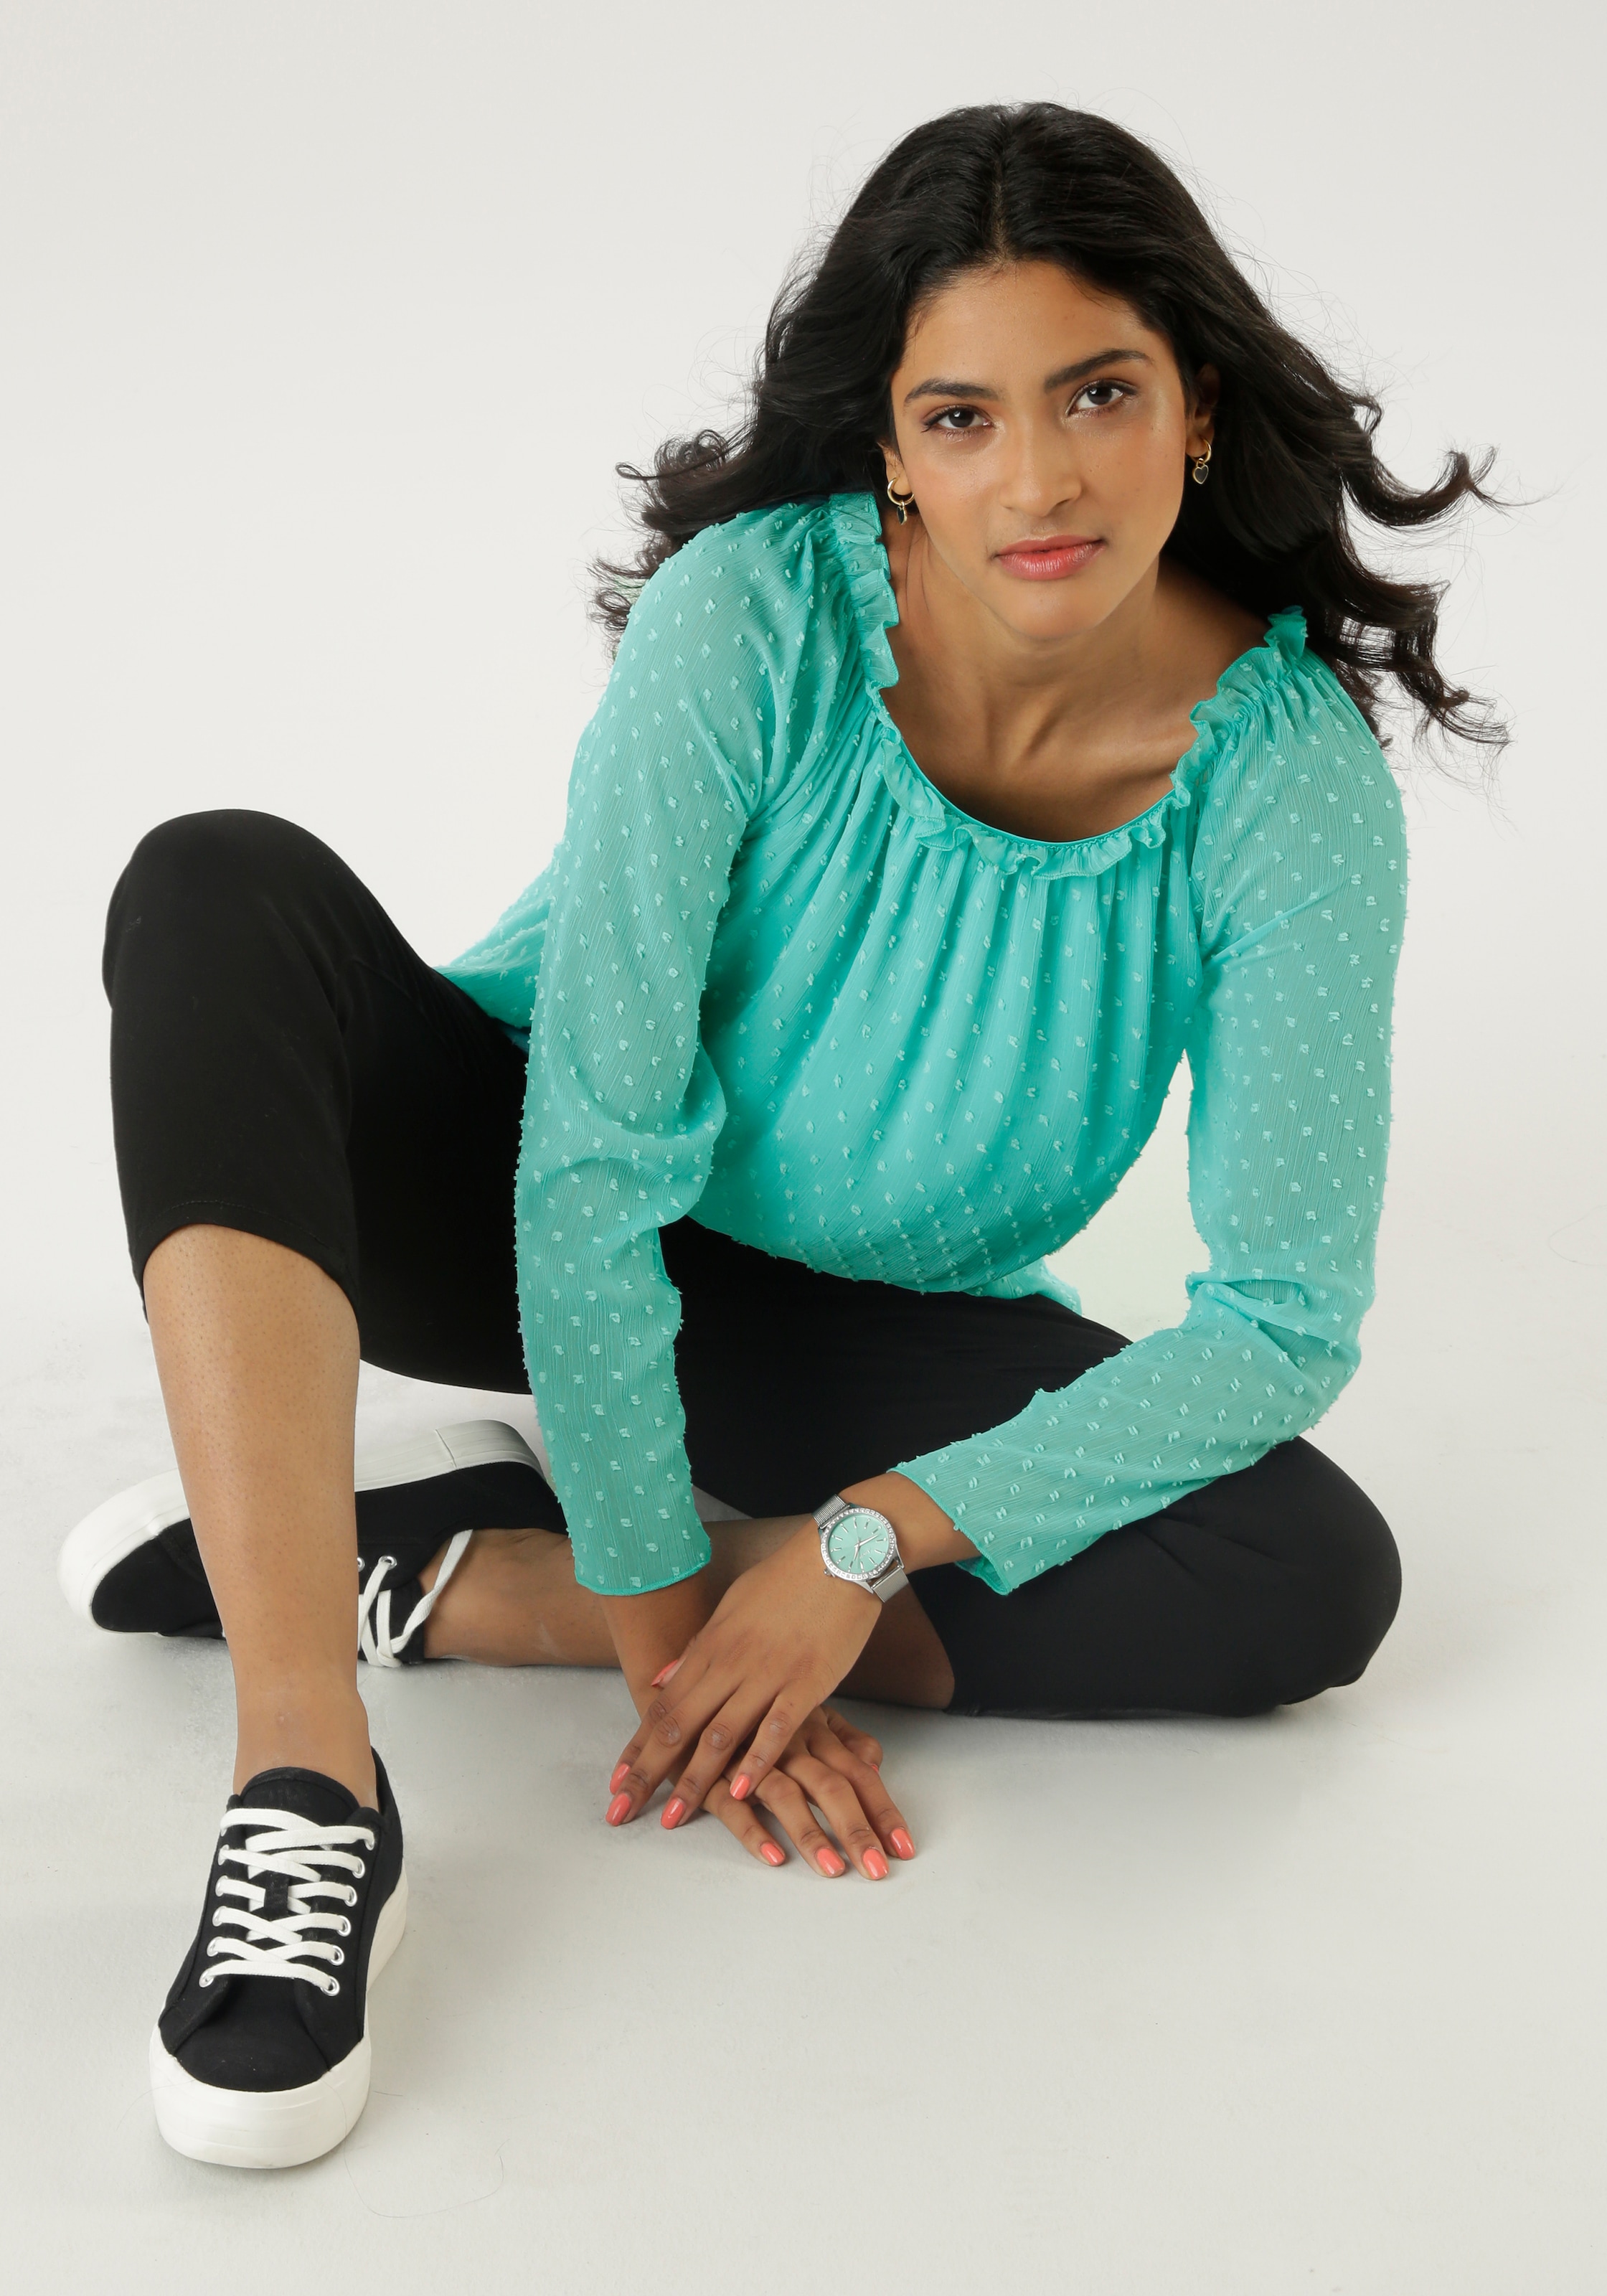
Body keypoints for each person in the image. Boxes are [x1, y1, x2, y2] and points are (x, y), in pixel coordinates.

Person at [62, 101, 1502, 2169]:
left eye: (1098, 393)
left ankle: (453, 1574)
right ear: (892, 446)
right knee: (215, 886)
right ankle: (306, 1776)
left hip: (845, 1324)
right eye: (962, 416)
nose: (1039, 479)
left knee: (1309, 1576)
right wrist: (671, 1627)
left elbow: (1281, 1318)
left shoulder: (1286, 784)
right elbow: (593, 1159)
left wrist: (855, 1547)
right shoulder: (755, 616)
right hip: (512, 1195)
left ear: (1197, 406)